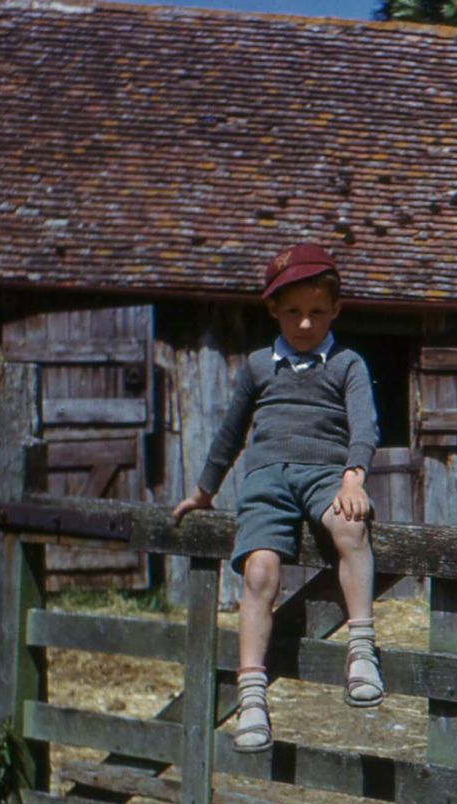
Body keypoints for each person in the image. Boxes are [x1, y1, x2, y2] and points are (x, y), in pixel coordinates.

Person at [172, 242, 383, 752]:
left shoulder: (348, 363)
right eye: (292, 313)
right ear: (273, 310)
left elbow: (365, 424)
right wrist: (204, 491)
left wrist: (353, 477)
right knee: (260, 571)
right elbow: (229, 434)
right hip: (266, 480)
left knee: (350, 528)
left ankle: (361, 650)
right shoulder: (257, 367)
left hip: (326, 476)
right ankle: (251, 697)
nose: (305, 325)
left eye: (316, 312)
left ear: (335, 309)